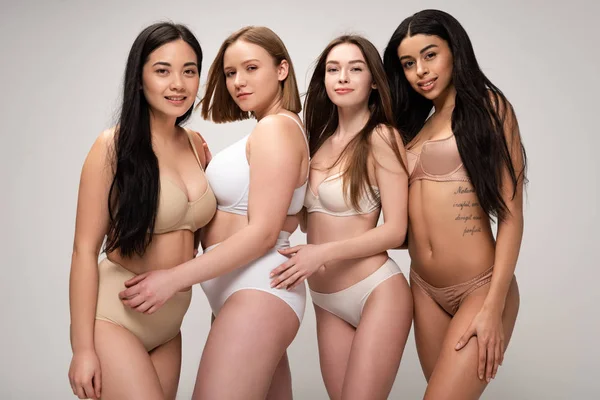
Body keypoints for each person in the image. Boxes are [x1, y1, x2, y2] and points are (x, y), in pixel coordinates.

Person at [118, 26, 310, 400]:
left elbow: (263, 233)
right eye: (230, 72)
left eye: (251, 68)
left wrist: (173, 279)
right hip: (241, 292)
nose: (238, 81)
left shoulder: (276, 129)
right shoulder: (264, 130)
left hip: (258, 289)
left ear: (282, 69)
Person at [383, 9, 527, 399]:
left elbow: (512, 218)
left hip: (481, 286)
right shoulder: (413, 127)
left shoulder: (489, 109)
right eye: (408, 63)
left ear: (454, 52)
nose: (420, 71)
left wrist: (493, 307)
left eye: (430, 55)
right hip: (424, 288)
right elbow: (407, 222)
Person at [68, 22, 214, 400]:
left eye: (189, 70)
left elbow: (206, 240)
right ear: (139, 78)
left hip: (170, 325)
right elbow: (84, 251)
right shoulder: (112, 146)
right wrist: (82, 350)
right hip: (117, 318)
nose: (178, 84)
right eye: (162, 70)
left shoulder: (197, 146)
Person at [269, 35, 413, 400]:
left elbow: (396, 231)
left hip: (376, 292)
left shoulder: (382, 137)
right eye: (333, 69)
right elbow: (296, 219)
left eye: (355, 68)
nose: (342, 77)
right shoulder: (314, 141)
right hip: (325, 299)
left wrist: (321, 253)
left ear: (374, 82)